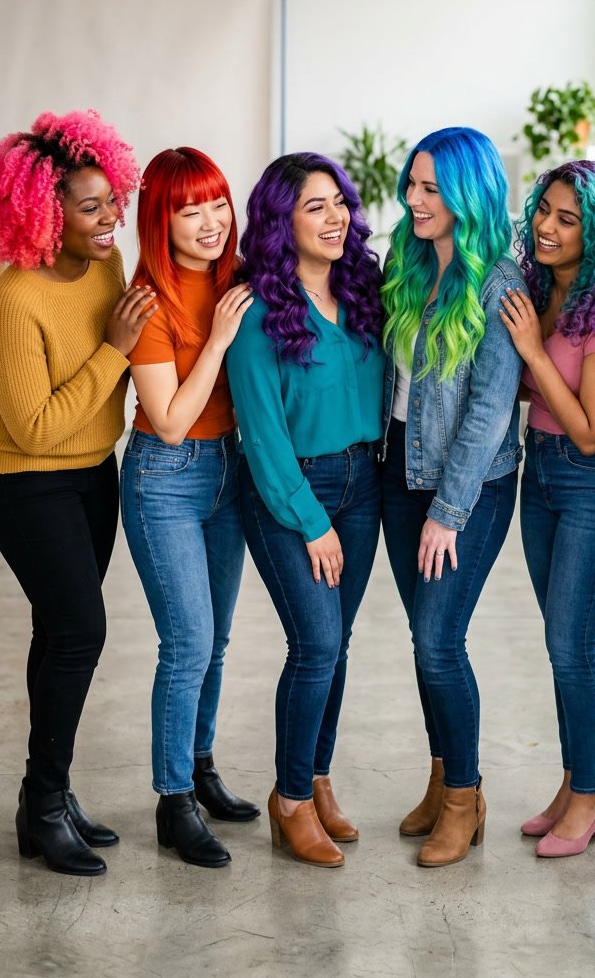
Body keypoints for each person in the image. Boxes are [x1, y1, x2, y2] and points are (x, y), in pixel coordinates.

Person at [0, 109, 154, 877]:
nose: (113, 216)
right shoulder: (14, 301)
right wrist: (115, 352)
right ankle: (44, 803)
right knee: (81, 630)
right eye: (91, 207)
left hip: (91, 472)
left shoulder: (105, 264)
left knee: (58, 630)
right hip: (23, 480)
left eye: (112, 199)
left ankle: (47, 796)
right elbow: (38, 428)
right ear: (45, 214)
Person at [226, 153, 383, 869]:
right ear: (280, 220)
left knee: (337, 645)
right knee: (315, 644)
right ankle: (288, 798)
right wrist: (311, 521)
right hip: (293, 493)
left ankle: (316, 779)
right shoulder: (260, 310)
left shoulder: (362, 291)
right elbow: (260, 435)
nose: (335, 217)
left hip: (363, 484)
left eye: (339, 202)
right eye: (315, 205)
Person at [380, 126, 526, 868]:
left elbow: (490, 413)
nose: (414, 200)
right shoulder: (405, 264)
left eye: (431, 188)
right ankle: (442, 779)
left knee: (440, 642)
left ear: (468, 193)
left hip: (468, 488)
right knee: (424, 641)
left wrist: (448, 512)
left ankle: (465, 798)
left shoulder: (499, 282)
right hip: (399, 477)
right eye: (412, 184)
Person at [499, 161, 595, 857]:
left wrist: (529, 347)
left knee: (571, 644)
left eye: (569, 219)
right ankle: (575, 784)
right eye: (544, 212)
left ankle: (590, 796)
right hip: (544, 473)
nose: (548, 228)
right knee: (563, 648)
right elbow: (536, 396)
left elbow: (591, 427)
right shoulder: (541, 286)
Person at [119, 148, 258, 869]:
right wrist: (222, 339)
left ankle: (201, 769)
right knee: (188, 642)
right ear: (159, 221)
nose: (209, 222)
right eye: (188, 210)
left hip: (228, 475)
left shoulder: (236, 278)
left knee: (219, 638)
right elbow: (169, 418)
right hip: (165, 478)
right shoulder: (148, 299)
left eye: (216, 203)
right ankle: (173, 801)